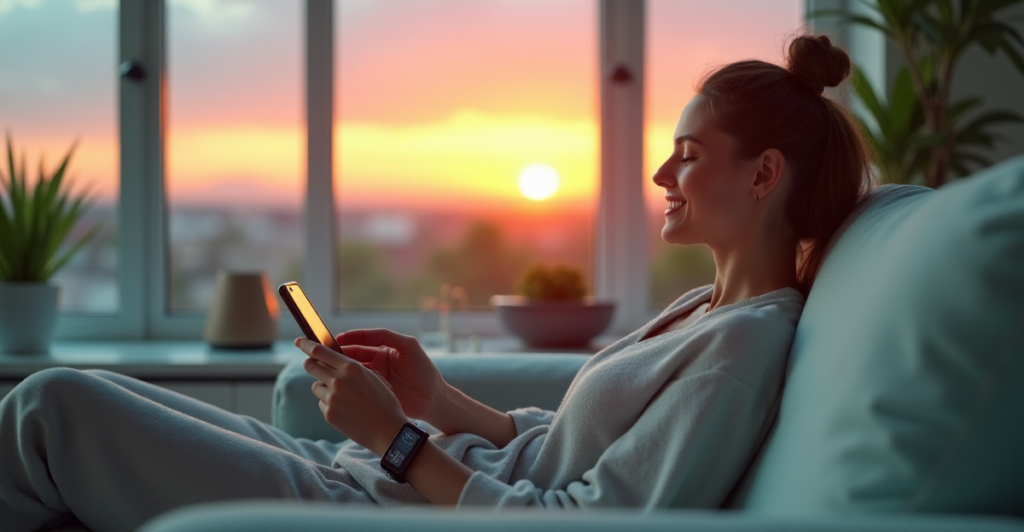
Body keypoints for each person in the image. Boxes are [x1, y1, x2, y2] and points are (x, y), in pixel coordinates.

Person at [0, 34, 871, 531]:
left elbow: (585, 519)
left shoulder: (740, 350)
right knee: (91, 399)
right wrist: (436, 398)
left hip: (399, 503)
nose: (659, 175)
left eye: (687, 157)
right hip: (395, 474)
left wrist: (399, 441)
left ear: (763, 177)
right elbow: (560, 442)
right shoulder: (705, 308)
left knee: (52, 406)